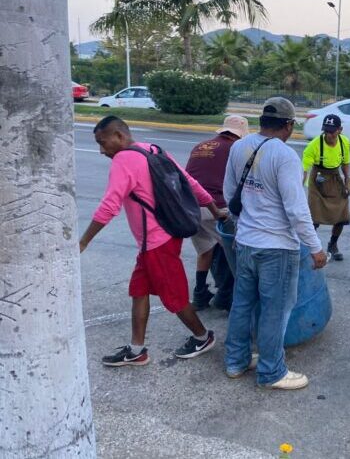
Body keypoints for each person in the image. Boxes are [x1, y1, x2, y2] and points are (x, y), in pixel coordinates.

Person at [79, 116, 225, 366]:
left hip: (157, 243)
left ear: (119, 136)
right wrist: (214, 210)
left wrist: (83, 242)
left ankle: (203, 337)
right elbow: (189, 182)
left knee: (175, 297)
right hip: (164, 237)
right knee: (139, 290)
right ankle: (137, 350)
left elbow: (109, 206)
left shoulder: (124, 159)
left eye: (103, 143)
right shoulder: (154, 150)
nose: (101, 151)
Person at [223, 97, 327, 388]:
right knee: (275, 310)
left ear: (262, 121)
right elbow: (297, 210)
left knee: (242, 304)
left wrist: (244, 225)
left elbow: (230, 193)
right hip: (277, 248)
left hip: (246, 242)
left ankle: (236, 361)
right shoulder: (285, 156)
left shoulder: (239, 147)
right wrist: (316, 248)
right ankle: (271, 372)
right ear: (289, 125)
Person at [185, 114, 250, 310]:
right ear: (241, 134)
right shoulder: (236, 149)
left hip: (190, 207)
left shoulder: (201, 146)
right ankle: (226, 296)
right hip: (215, 207)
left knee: (205, 251)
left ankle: (200, 295)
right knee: (236, 252)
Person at [301, 114, 350, 261]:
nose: (328, 135)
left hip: (335, 178)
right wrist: (299, 188)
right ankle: (309, 248)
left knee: (342, 217)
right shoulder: (314, 145)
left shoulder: (344, 142)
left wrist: (347, 180)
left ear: (340, 130)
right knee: (313, 219)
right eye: (326, 131)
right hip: (317, 181)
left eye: (332, 131)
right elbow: (304, 169)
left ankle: (333, 245)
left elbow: (345, 163)